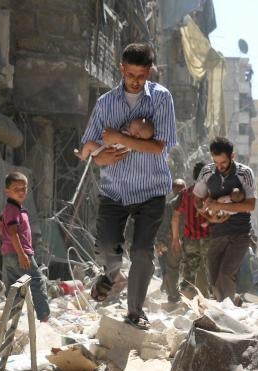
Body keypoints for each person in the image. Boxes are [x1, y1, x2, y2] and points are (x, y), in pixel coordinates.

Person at [80, 43, 176, 330]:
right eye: (131, 74)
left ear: (149, 72)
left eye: (141, 75)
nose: (135, 80)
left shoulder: (161, 99)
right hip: (114, 190)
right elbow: (90, 146)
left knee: (142, 252)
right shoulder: (105, 103)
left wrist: (117, 138)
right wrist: (102, 154)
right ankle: (110, 276)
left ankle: (135, 311)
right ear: (122, 69)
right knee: (109, 246)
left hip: (151, 190)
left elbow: (159, 146)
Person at [193, 137, 256, 306]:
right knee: (214, 275)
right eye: (216, 162)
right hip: (218, 231)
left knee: (226, 273)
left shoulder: (245, 173)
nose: (219, 167)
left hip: (240, 232)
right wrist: (208, 215)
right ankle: (231, 300)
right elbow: (197, 198)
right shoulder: (207, 172)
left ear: (232, 156)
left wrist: (221, 205)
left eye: (223, 163)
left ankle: (227, 312)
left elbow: (250, 205)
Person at [0, 172, 50, 322]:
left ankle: (12, 320)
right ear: (7, 191)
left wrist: (6, 242)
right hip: (21, 254)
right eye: (16, 189)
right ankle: (44, 317)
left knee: (17, 289)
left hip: (9, 254)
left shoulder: (11, 208)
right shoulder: (13, 209)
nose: (21, 192)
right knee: (37, 281)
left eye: (23, 188)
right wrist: (21, 254)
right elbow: (13, 232)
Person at [171, 162, 210, 299]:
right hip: (208, 239)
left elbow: (175, 216)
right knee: (208, 269)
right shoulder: (211, 193)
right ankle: (206, 299)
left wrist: (175, 239)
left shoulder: (185, 193)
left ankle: (188, 300)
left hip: (190, 239)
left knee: (190, 270)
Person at [155, 178, 186, 302]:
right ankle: (172, 294)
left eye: (181, 187)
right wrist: (161, 242)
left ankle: (177, 293)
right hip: (173, 241)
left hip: (186, 240)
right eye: (176, 187)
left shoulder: (190, 201)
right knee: (169, 268)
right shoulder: (169, 205)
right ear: (172, 189)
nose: (178, 189)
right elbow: (164, 224)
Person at [74, 117, 154, 160]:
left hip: (105, 150)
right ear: (130, 124)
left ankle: (82, 156)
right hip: (104, 147)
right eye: (135, 129)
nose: (136, 134)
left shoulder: (131, 144)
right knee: (89, 144)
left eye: (140, 136)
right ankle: (84, 155)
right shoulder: (125, 132)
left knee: (89, 144)